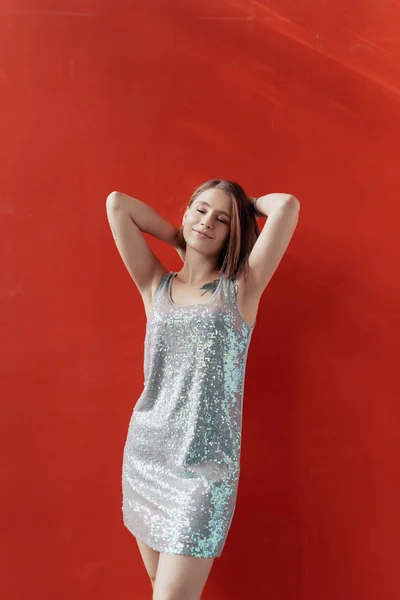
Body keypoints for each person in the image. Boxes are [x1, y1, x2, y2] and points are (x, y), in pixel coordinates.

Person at [105, 179, 300, 599]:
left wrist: (241, 203)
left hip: (204, 473)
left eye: (222, 219)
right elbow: (118, 204)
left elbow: (286, 206)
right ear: (186, 211)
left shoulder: (242, 288)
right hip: (147, 455)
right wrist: (183, 237)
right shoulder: (155, 285)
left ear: (236, 232)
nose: (208, 221)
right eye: (200, 210)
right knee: (160, 588)